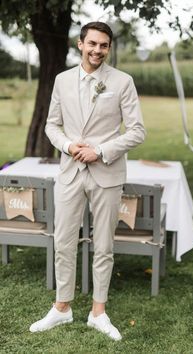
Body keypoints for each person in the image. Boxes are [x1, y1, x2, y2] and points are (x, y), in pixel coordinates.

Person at [29, 21, 145, 341]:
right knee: (63, 241)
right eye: (92, 43)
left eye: (104, 45)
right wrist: (68, 146)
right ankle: (62, 308)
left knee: (104, 245)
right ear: (80, 44)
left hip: (106, 173)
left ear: (109, 48)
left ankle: (98, 312)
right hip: (69, 173)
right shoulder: (62, 80)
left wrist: (101, 151)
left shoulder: (122, 82)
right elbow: (52, 126)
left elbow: (137, 131)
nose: (97, 50)